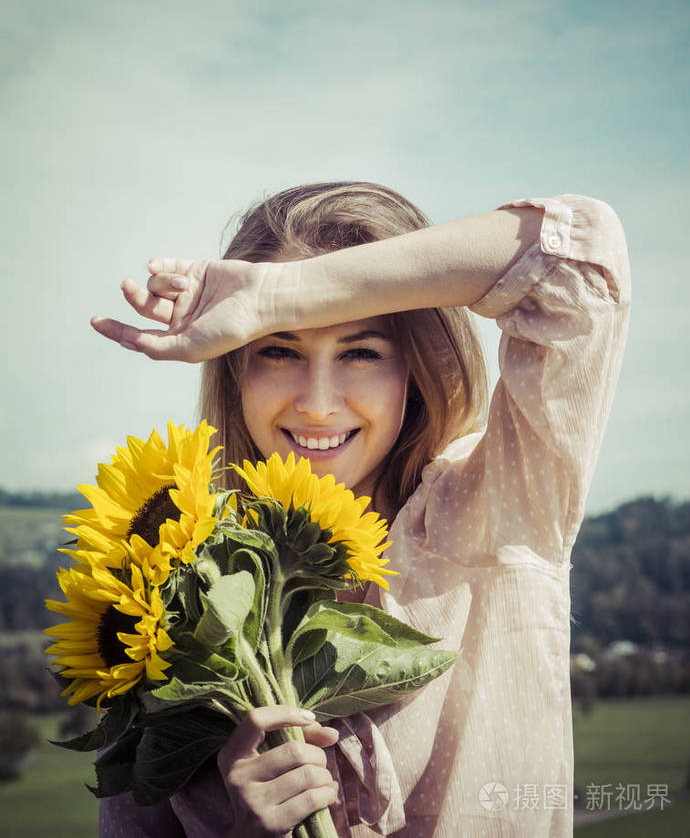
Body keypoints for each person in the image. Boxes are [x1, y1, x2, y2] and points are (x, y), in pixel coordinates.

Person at [94, 182, 631, 837]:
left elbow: (578, 259)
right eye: (278, 346)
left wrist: (280, 296)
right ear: (234, 368)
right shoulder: (169, 599)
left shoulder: (491, 512)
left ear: (417, 365)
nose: (318, 403)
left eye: (361, 350)